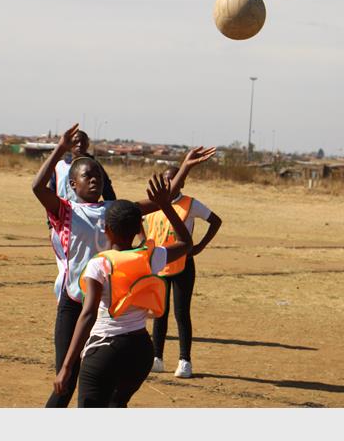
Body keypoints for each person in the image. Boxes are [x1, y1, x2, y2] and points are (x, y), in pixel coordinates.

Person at [32, 123, 214, 408]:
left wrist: (184, 169)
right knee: (65, 382)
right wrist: (60, 149)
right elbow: (37, 187)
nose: (94, 179)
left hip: (105, 306)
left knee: (104, 383)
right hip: (73, 303)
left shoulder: (113, 210)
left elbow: (160, 200)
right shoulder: (65, 211)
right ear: (73, 184)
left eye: (98, 176)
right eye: (87, 175)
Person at [53, 173, 194, 407]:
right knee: (117, 405)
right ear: (139, 226)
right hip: (140, 352)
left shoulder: (100, 264)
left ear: (106, 229)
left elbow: (87, 315)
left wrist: (67, 367)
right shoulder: (150, 257)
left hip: (105, 350)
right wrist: (166, 206)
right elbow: (185, 243)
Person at [148, 165, 222, 378]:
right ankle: (157, 358)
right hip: (160, 264)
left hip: (183, 264)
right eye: (166, 179)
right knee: (159, 312)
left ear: (181, 182)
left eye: (173, 179)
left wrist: (199, 246)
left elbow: (215, 221)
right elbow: (144, 228)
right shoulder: (154, 205)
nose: (169, 183)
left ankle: (184, 360)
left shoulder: (190, 203)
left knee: (181, 313)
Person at [49, 129, 116, 202]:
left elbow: (107, 189)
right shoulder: (59, 166)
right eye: (76, 142)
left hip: (87, 210)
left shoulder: (95, 165)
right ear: (70, 144)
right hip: (63, 210)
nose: (79, 145)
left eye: (83, 142)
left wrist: (112, 208)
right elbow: (52, 189)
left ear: (87, 145)